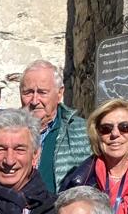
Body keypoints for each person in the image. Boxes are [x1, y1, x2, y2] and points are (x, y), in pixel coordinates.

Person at [18, 59, 90, 193]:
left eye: (42, 92)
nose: (34, 101)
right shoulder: (6, 131)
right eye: (28, 92)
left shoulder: (83, 132)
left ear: (59, 93)